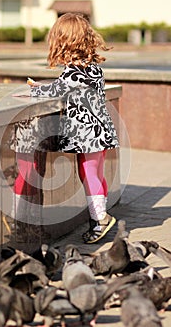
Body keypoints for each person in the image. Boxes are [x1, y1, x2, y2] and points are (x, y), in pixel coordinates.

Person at [25, 13, 119, 244]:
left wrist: (35, 90)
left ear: (63, 42)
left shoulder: (74, 72)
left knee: (88, 174)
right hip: (99, 132)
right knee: (94, 173)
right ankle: (100, 216)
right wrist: (48, 86)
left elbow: (58, 90)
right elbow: (64, 86)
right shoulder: (92, 68)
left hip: (88, 135)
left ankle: (100, 220)